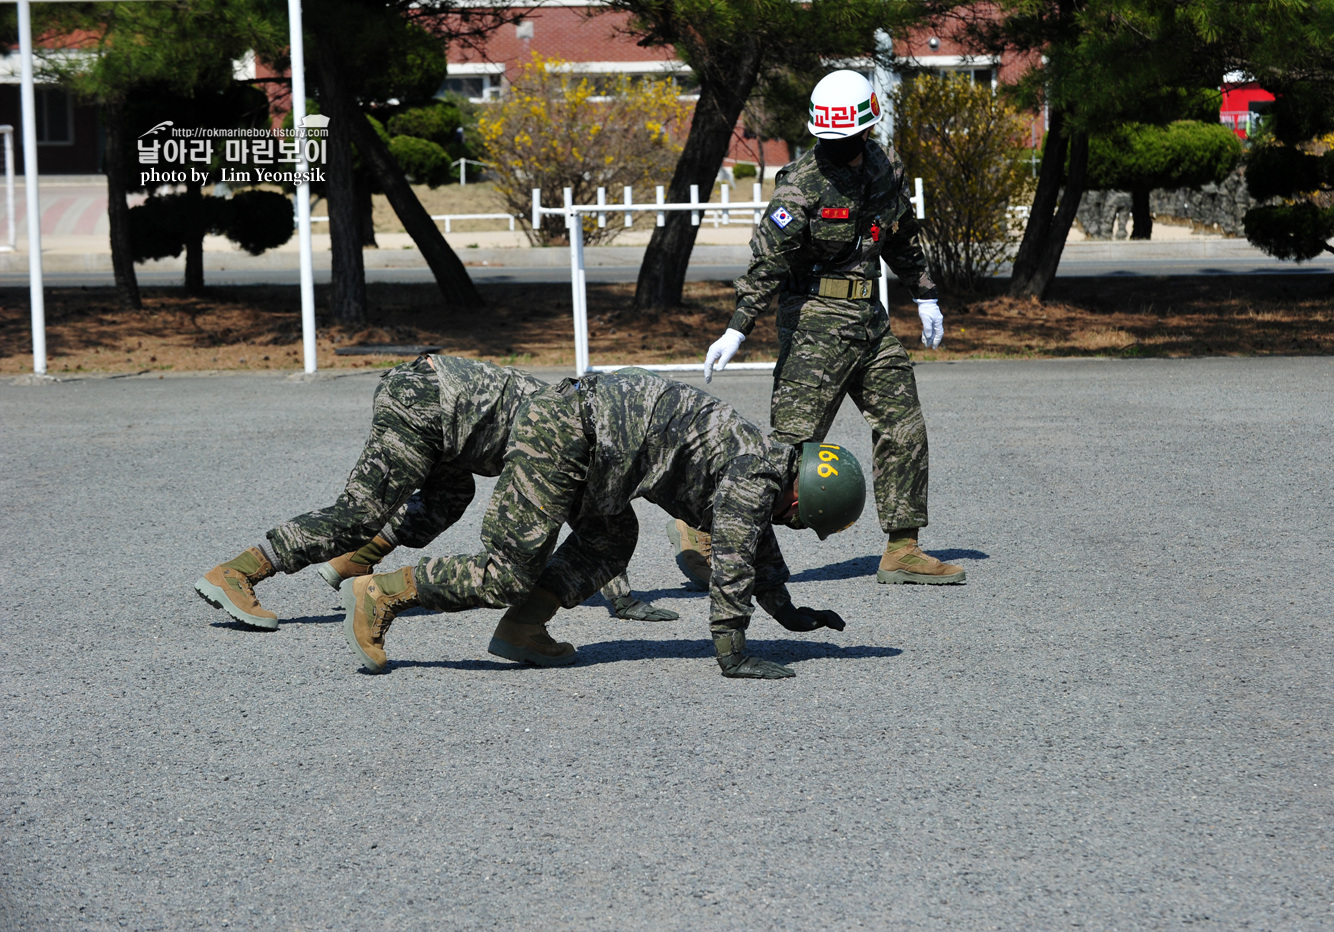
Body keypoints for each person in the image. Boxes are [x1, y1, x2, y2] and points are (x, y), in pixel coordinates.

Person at [339, 368, 866, 679]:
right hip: (567, 433)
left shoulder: (764, 464)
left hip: (593, 447)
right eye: (801, 520)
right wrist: (733, 654)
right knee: (507, 570)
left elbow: (756, 547)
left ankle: (523, 628)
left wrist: (791, 614)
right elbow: (731, 565)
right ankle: (383, 592)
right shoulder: (755, 477)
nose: (793, 525)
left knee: (611, 537)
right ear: (802, 502)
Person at [673, 68, 965, 589]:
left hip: (869, 322)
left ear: (866, 127)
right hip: (813, 327)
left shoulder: (885, 163)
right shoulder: (801, 184)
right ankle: (700, 526)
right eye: (829, 136)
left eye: (847, 135)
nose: (837, 145)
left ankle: (903, 548)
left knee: (905, 427)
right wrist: (738, 327)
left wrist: (926, 295)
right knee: (788, 450)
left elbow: (900, 233)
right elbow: (768, 262)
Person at [194, 355, 673, 631]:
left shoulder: (574, 413)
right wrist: (623, 599)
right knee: (360, 511)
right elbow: (597, 521)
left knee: (449, 495)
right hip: (426, 403)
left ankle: (354, 561)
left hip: (444, 416)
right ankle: (238, 572)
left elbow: (593, 515)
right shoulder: (573, 434)